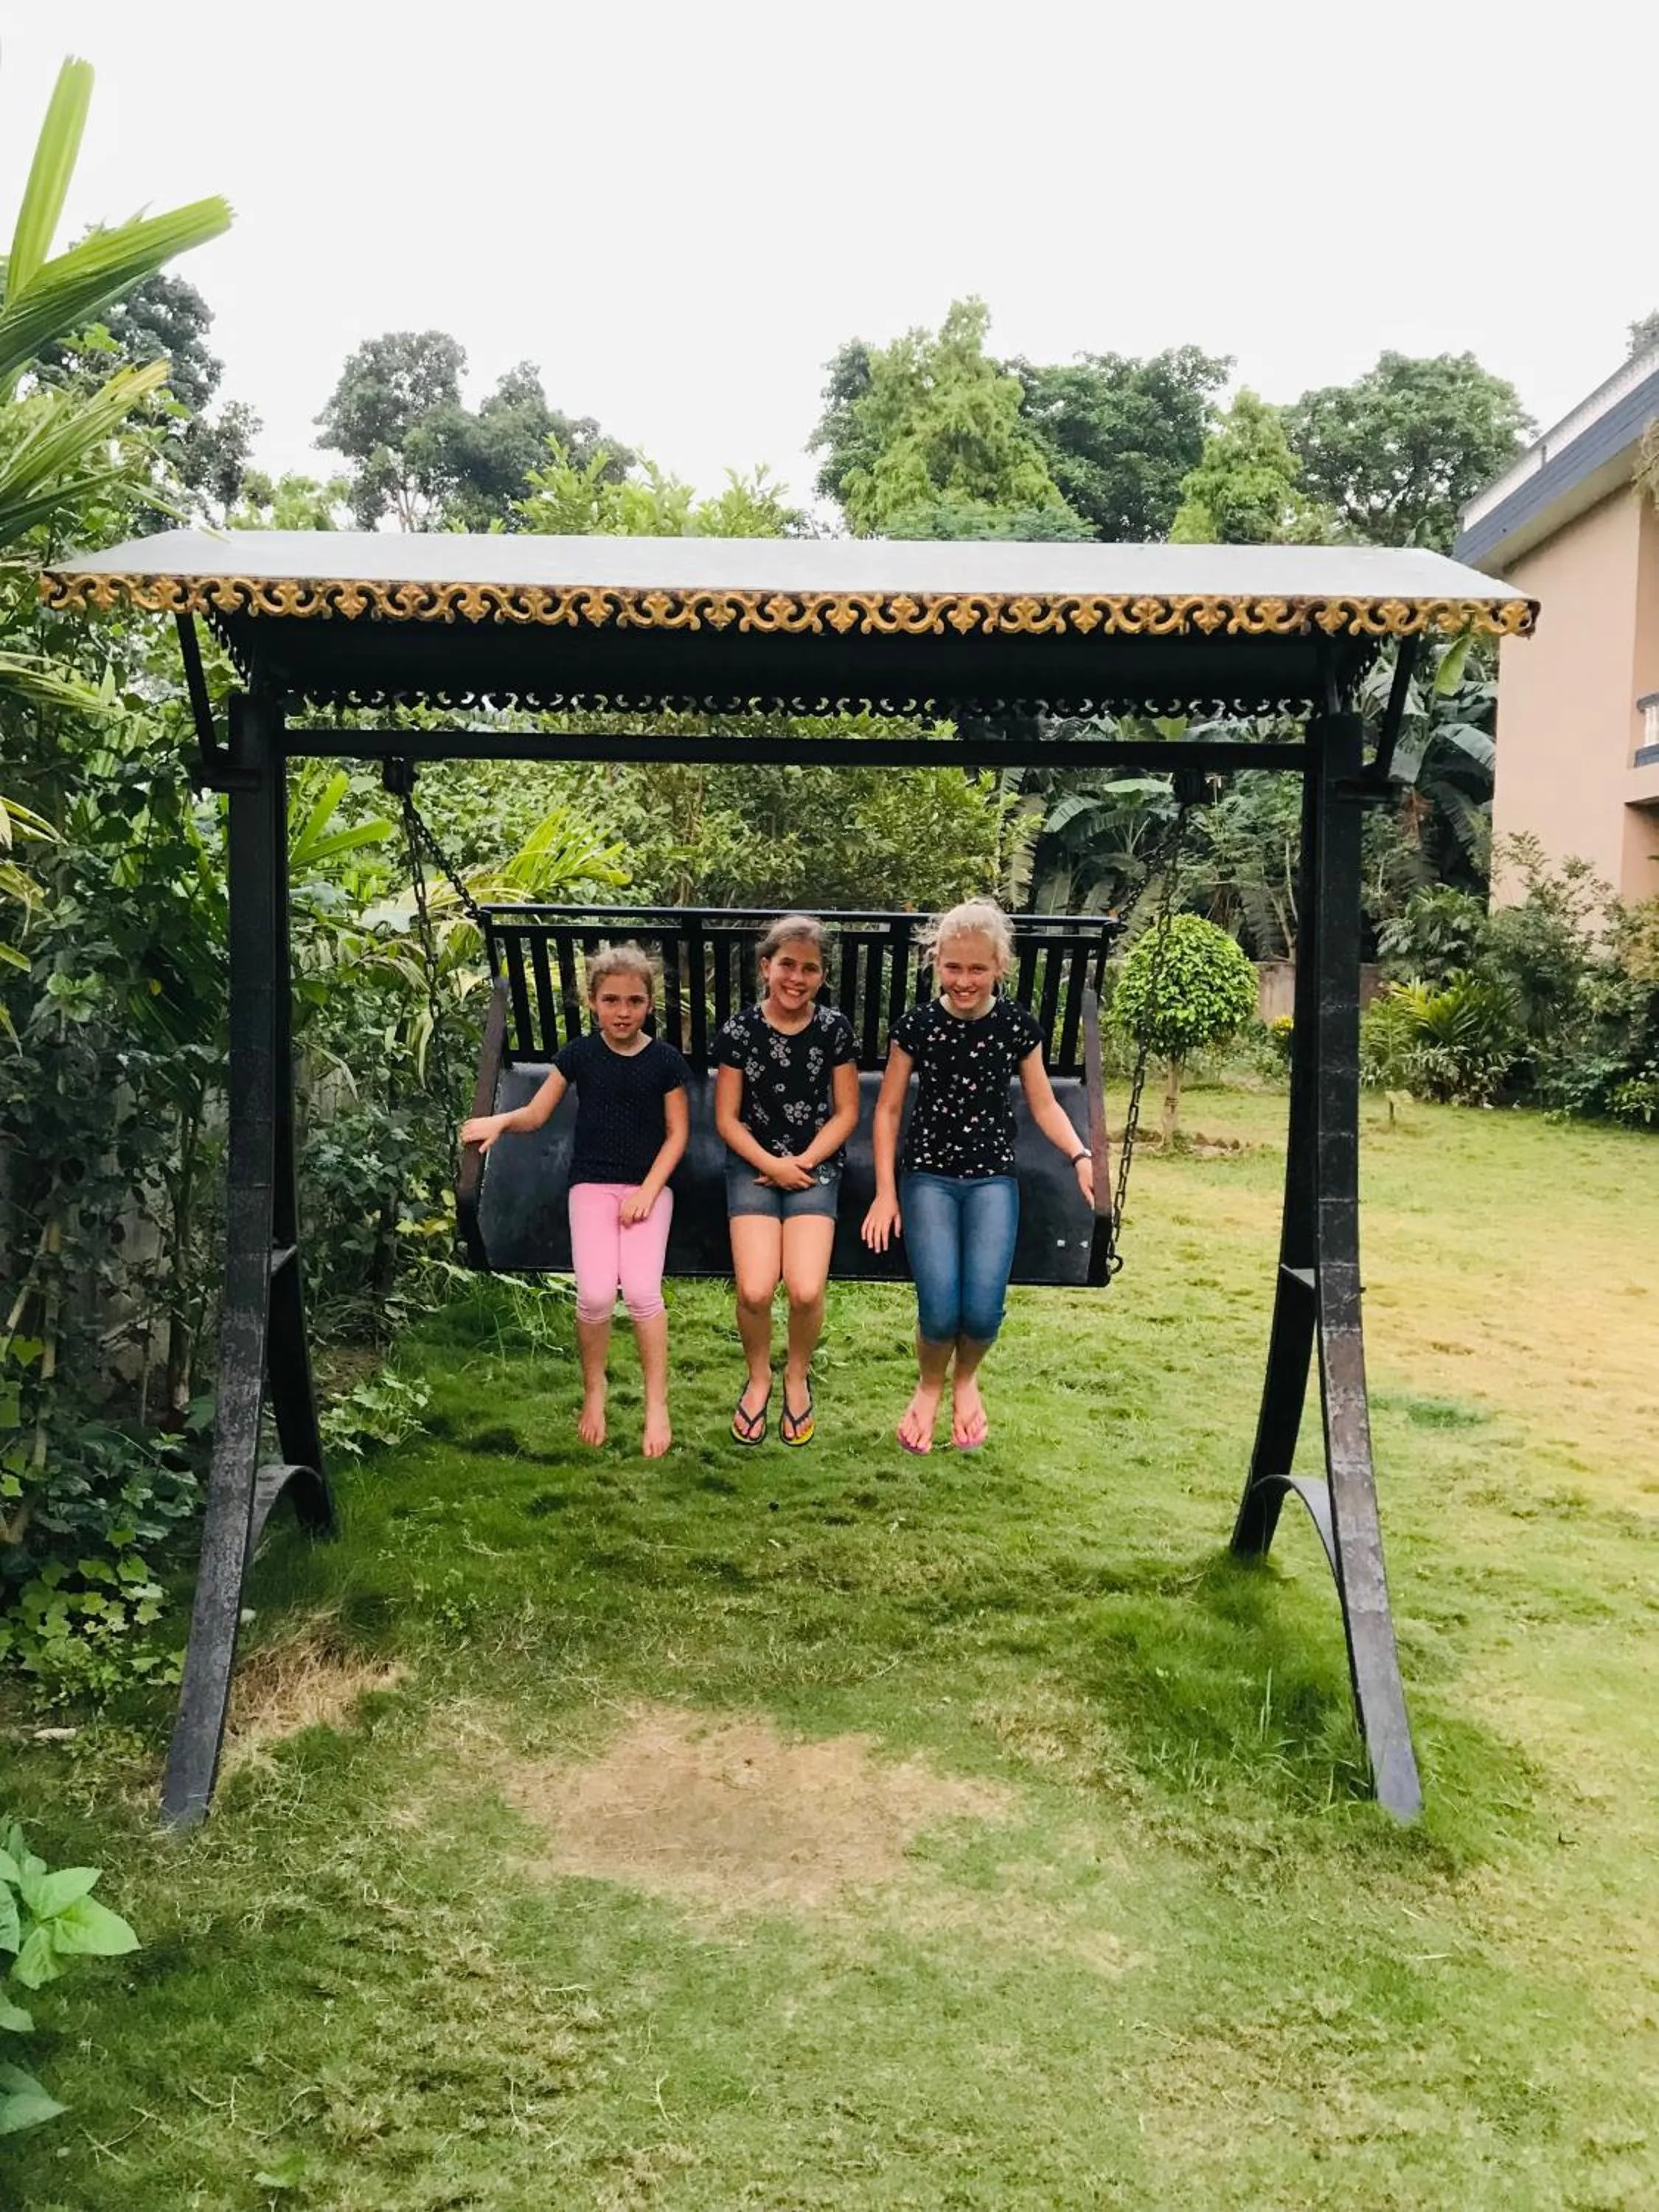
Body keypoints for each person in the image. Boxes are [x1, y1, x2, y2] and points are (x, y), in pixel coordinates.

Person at [861, 898, 1093, 1454]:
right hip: (929, 1178)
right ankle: (929, 1385)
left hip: (992, 1178)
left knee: (983, 1307)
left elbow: (1044, 1106)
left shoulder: (1016, 1027)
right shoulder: (917, 1026)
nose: (964, 980)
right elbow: (889, 1109)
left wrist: (1082, 1155)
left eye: (977, 969)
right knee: (940, 1307)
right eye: (953, 967)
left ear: (1000, 968)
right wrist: (886, 1193)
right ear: (936, 962)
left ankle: (966, 1381)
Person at [461, 943, 689, 1458]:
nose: (623, 1011)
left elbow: (677, 1136)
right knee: (594, 1297)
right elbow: (537, 1115)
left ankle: (657, 1403)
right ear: (593, 1002)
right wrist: (500, 1120)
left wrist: (649, 1193)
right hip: (591, 1187)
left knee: (644, 1293)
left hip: (649, 1190)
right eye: (612, 1000)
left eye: (634, 1001)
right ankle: (594, 1390)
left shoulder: (665, 1062)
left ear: (649, 1004)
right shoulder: (579, 1055)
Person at [713, 915, 859, 1447]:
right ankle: (759, 1377)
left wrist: (803, 1162)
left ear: (822, 976)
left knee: (804, 1287)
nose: (797, 978)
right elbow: (727, 1118)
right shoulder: (739, 1031)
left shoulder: (834, 1029)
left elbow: (846, 1113)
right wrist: (771, 1165)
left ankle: (796, 1376)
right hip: (752, 1163)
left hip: (814, 1164)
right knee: (754, 1287)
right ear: (766, 967)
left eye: (811, 969)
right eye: (788, 965)